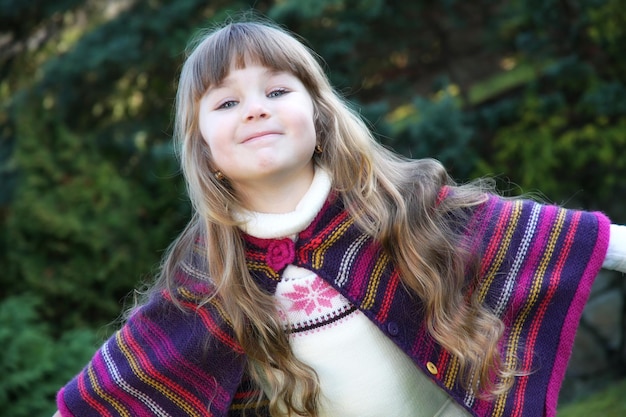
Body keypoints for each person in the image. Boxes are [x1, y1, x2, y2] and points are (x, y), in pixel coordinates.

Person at [53, 17, 626, 417]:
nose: (255, 107)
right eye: (226, 103)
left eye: (276, 90)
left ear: (319, 117)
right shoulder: (207, 278)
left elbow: (560, 238)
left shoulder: (400, 206)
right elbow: (108, 393)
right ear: (205, 151)